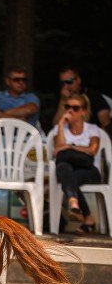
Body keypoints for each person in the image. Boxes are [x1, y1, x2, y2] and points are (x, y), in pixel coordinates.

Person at [52, 93, 101, 234]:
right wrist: (61, 125)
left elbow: (92, 150)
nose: (70, 111)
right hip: (70, 171)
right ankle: (77, 207)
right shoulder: (59, 128)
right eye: (67, 107)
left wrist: (70, 146)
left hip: (90, 171)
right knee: (64, 167)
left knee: (64, 158)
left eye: (75, 108)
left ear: (83, 111)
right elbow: (58, 148)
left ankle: (77, 207)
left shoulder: (92, 128)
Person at [52, 65, 112, 137]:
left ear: (78, 80)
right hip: (68, 139)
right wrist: (63, 100)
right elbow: (55, 126)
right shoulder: (62, 98)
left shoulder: (94, 96)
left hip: (94, 138)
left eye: (69, 81)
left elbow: (106, 123)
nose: (65, 86)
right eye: (62, 83)